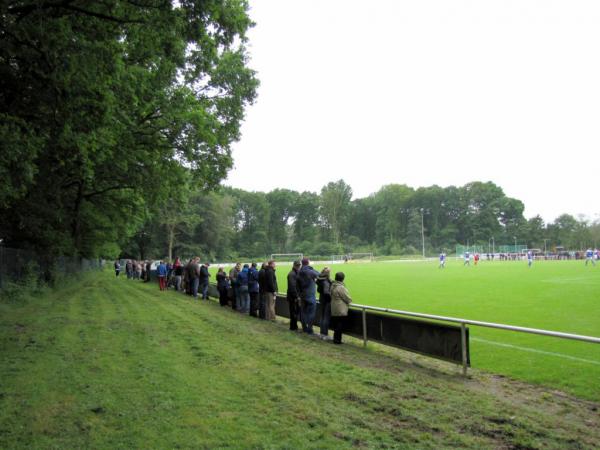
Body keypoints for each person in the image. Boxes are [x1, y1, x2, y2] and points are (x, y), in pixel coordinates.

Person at [297, 257, 320, 334]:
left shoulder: (299, 272)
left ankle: (304, 328)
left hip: (302, 295)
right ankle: (310, 329)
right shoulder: (310, 271)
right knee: (311, 312)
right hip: (310, 295)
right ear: (308, 262)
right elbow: (319, 274)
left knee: (303, 312)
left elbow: (297, 285)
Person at [330, 272, 353, 344]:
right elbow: (346, 298)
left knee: (336, 324)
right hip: (340, 309)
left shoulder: (332, 285)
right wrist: (350, 301)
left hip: (334, 307)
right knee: (339, 325)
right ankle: (337, 340)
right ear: (343, 279)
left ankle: (336, 339)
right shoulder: (341, 287)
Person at [317, 267, 332, 340]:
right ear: (328, 273)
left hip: (321, 299)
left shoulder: (320, 279)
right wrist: (331, 298)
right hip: (326, 301)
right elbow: (326, 292)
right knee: (326, 317)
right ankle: (325, 334)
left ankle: (321, 333)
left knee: (322, 316)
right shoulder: (326, 281)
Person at [286, 260, 302, 331]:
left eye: (299, 265)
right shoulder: (291, 274)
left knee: (295, 312)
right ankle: (293, 327)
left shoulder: (296, 273)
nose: (298, 266)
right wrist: (297, 296)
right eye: (297, 265)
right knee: (293, 312)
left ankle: (294, 326)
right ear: (294, 265)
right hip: (293, 297)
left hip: (295, 296)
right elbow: (292, 287)